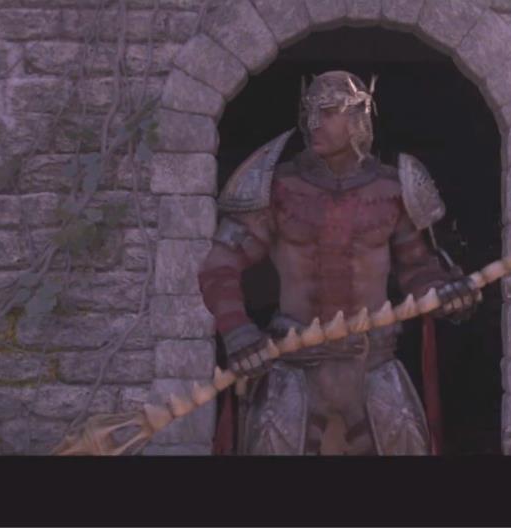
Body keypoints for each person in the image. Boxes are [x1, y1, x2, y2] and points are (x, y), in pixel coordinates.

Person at [197, 71, 482, 455]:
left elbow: (417, 268)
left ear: (359, 116)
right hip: (295, 364)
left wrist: (446, 293)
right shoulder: (278, 189)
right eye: (309, 112)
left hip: (373, 364)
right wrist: (238, 332)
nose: (314, 123)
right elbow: (220, 265)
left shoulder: (392, 190)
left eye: (329, 111)